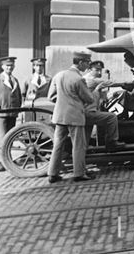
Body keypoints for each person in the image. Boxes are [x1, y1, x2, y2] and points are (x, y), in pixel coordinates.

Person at [46, 51, 97, 183]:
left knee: (58, 144)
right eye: (86, 63)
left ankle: (52, 174)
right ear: (80, 62)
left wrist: (64, 100)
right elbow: (89, 99)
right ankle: (79, 173)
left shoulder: (59, 75)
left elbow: (51, 97)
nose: (87, 66)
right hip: (75, 116)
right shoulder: (78, 79)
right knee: (78, 145)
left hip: (59, 116)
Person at [83, 60, 126, 151]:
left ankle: (84, 150)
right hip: (88, 112)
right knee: (112, 117)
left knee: (87, 131)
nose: (99, 72)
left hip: (87, 111)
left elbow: (104, 97)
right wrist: (125, 84)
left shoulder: (95, 82)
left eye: (100, 70)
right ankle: (112, 143)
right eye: (97, 70)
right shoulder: (90, 79)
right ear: (90, 69)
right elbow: (111, 82)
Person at [0, 57, 22, 172]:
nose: (9, 68)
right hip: (1, 113)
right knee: (1, 139)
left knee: (10, 138)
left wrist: (18, 108)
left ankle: (9, 160)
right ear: (2, 67)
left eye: (11, 66)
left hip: (12, 112)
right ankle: (0, 162)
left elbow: (19, 95)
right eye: (7, 66)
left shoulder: (15, 80)